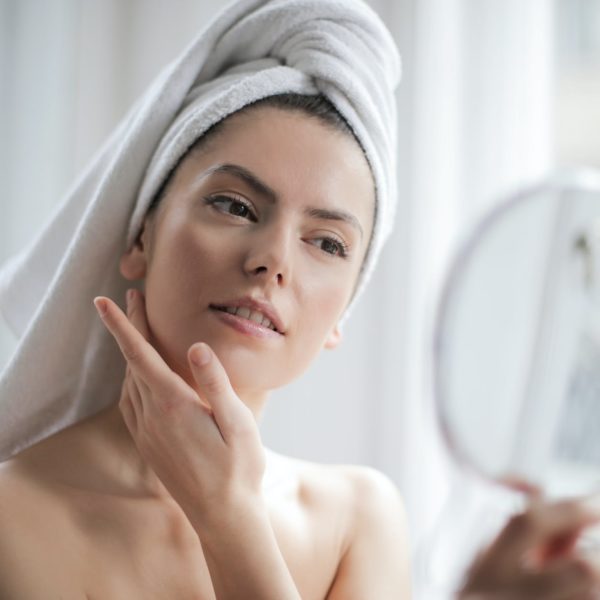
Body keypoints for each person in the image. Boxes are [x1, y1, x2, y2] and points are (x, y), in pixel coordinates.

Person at [0, 1, 599, 599]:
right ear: (140, 237)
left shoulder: (358, 521)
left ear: (343, 313)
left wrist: (228, 515)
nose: (274, 261)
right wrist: (225, 514)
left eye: (328, 243)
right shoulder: (15, 516)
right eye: (235, 205)